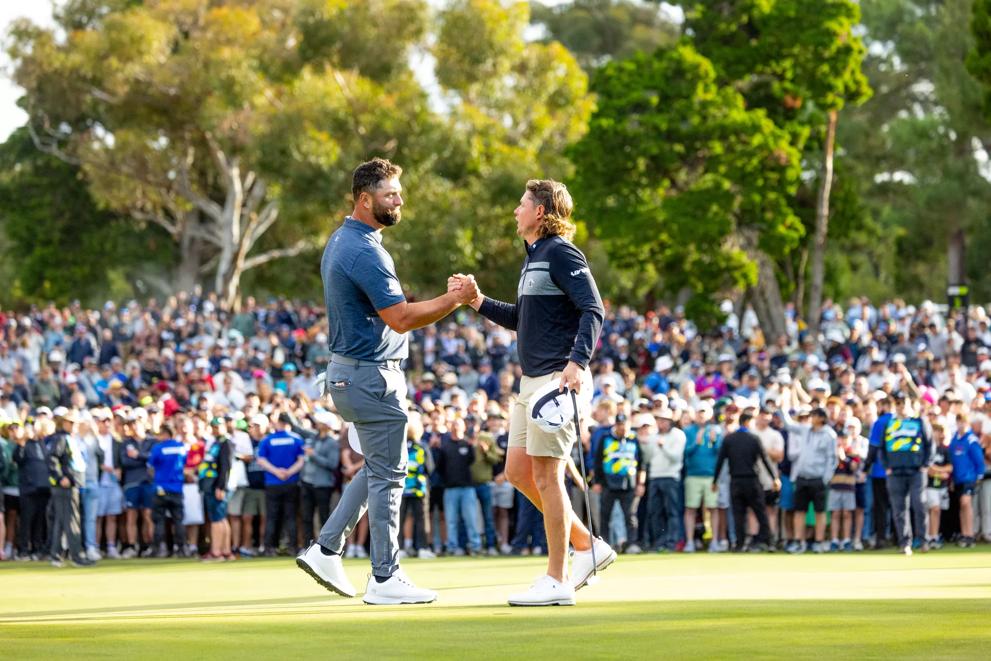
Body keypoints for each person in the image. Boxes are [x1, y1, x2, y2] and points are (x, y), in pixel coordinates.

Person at [297, 158, 476, 605]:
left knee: (380, 468)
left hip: (352, 374)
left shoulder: (345, 240)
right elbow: (400, 319)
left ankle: (325, 549)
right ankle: (385, 576)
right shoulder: (364, 250)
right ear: (365, 199)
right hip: (370, 375)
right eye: (390, 194)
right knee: (391, 476)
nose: (399, 200)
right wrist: (454, 300)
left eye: (399, 192)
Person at [467, 178, 610, 606]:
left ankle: (558, 578)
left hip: (556, 381)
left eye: (522, 204)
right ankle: (588, 546)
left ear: (541, 212)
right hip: (532, 381)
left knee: (548, 475)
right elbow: (522, 319)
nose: (516, 210)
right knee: (517, 472)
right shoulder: (533, 260)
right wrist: (477, 301)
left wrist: (576, 362)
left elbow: (593, 308)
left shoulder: (562, 253)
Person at [711, 411, 777, 552]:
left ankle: (739, 544)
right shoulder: (754, 439)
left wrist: (715, 481)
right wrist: (774, 478)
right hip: (752, 481)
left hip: (735, 481)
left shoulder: (729, 439)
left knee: (738, 514)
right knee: (760, 512)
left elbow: (720, 461)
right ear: (747, 422)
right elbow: (764, 459)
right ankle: (769, 541)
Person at [874, 393, 931, 555]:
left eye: (904, 403)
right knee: (899, 509)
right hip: (895, 473)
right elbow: (882, 447)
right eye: (898, 403)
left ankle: (923, 541)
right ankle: (905, 543)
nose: (901, 406)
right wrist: (886, 466)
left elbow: (929, 444)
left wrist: (925, 465)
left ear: (910, 405)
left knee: (919, 505)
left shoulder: (919, 422)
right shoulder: (890, 424)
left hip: (916, 472)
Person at [781, 402, 837, 554]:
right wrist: (783, 406)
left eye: (813, 415)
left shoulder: (829, 435)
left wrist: (826, 478)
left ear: (821, 418)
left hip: (818, 479)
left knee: (820, 512)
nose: (811, 418)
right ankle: (800, 542)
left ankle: (818, 542)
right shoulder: (806, 430)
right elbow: (788, 425)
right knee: (799, 511)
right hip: (802, 477)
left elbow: (832, 458)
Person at [255, 414, 306, 556]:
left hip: (272, 482)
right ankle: (293, 547)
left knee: (271, 516)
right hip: (291, 482)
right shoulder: (296, 439)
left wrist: (276, 472)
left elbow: (261, 460)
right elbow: (301, 460)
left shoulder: (267, 440)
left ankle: (269, 547)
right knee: (291, 516)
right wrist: (288, 472)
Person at [436, 417, 481, 555]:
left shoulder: (467, 445)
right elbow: (440, 467)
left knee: (471, 519)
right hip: (450, 489)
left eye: (458, 424)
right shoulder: (445, 446)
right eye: (454, 425)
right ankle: (452, 548)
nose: (456, 427)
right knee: (451, 521)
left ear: (463, 427)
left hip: (467, 488)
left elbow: (472, 462)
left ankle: (475, 547)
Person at [641, 410, 685, 552]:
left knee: (672, 511)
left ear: (670, 421)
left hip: (671, 477)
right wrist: (645, 445)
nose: (661, 423)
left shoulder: (678, 434)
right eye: (659, 420)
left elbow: (676, 457)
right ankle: (659, 542)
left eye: (664, 420)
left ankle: (671, 543)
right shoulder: (654, 436)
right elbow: (648, 458)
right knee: (655, 512)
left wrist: (663, 446)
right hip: (655, 477)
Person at [682, 403, 721, 552]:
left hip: (711, 476)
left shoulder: (715, 430)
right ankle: (690, 542)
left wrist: (714, 441)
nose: (701, 415)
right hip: (693, 475)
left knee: (713, 508)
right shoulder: (688, 431)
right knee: (690, 508)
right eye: (699, 412)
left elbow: (720, 452)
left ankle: (714, 541)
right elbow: (685, 453)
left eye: (704, 412)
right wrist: (696, 444)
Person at [148, 421, 188, 557]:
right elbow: (184, 464)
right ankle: (182, 549)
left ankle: (157, 549)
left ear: (165, 433)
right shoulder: (181, 447)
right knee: (178, 520)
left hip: (161, 487)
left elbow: (151, 466)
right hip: (177, 487)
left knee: (159, 520)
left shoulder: (158, 448)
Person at [118, 417, 155, 558]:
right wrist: (143, 460)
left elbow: (153, 459)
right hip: (132, 482)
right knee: (131, 515)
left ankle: (149, 545)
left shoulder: (151, 442)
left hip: (148, 482)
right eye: (131, 424)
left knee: (148, 515)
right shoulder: (126, 443)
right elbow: (125, 462)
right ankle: (132, 545)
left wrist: (138, 455)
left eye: (136, 424)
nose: (134, 427)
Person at [199, 417, 234, 560]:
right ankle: (225, 551)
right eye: (213, 426)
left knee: (216, 520)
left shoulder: (225, 443)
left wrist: (221, 487)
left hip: (216, 486)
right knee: (221, 518)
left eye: (218, 426)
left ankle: (216, 551)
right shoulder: (215, 442)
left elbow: (226, 467)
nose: (216, 428)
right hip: (211, 484)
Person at [949, 413, 986, 547]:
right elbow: (952, 460)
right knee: (961, 505)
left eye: (963, 422)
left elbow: (979, 460)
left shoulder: (971, 440)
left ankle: (970, 535)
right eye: (959, 421)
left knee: (966, 503)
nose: (961, 424)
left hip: (969, 477)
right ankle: (965, 534)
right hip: (958, 478)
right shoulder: (954, 439)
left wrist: (979, 476)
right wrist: (952, 479)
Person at [828, 429, 861, 551]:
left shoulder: (854, 454)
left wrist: (844, 458)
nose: (843, 441)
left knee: (847, 514)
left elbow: (853, 467)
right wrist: (837, 457)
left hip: (848, 487)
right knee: (835, 513)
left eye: (845, 439)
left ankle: (846, 540)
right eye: (841, 439)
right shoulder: (832, 453)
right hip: (835, 486)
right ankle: (834, 540)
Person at [925, 424, 952, 549]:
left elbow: (950, 467)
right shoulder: (928, 448)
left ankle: (934, 536)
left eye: (939, 431)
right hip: (929, 485)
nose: (937, 434)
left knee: (938, 511)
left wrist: (937, 470)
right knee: (934, 509)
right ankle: (930, 536)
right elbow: (928, 468)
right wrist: (940, 473)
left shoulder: (944, 449)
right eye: (935, 431)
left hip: (942, 487)